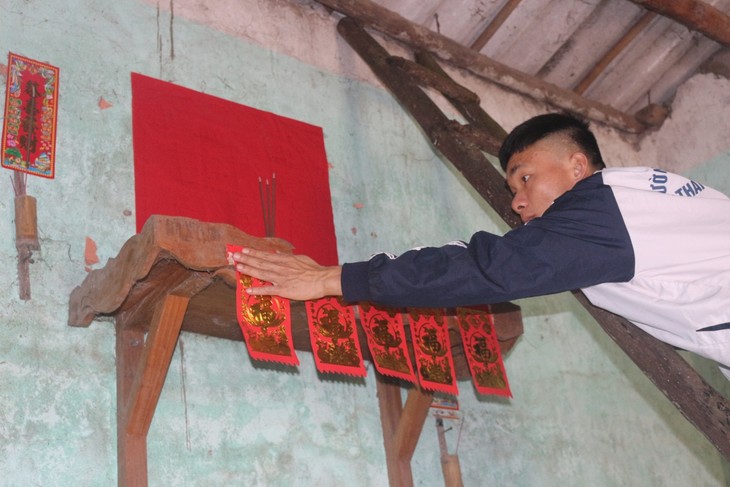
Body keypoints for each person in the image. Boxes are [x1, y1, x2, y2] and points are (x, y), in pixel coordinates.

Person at [232, 112, 730, 378]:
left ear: (578, 166)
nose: (517, 202)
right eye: (512, 188)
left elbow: (485, 266)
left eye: (525, 177)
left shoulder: (601, 212)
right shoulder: (648, 194)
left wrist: (329, 277)